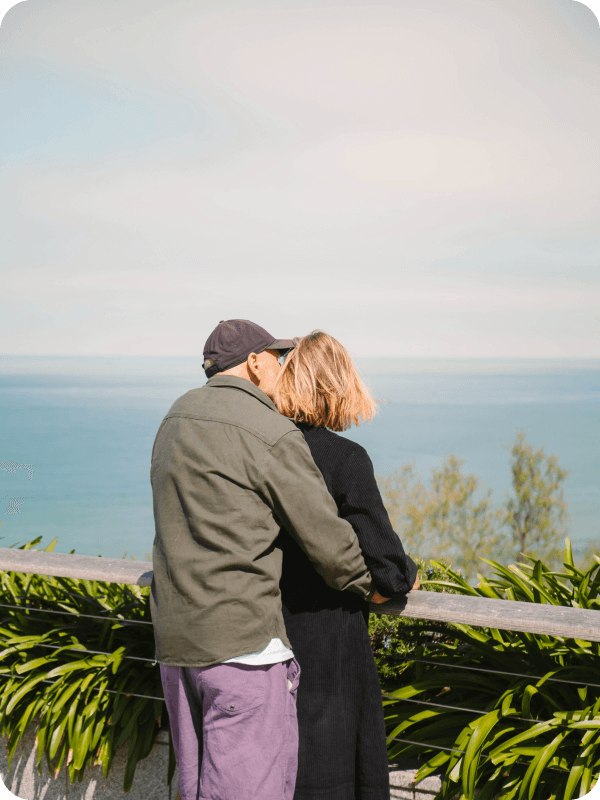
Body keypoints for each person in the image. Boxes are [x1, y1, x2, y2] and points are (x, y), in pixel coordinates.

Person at [149, 320, 391, 800]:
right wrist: (377, 586)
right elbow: (332, 545)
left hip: (177, 646)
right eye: (277, 359)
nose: (282, 368)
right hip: (242, 648)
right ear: (255, 362)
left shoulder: (176, 418)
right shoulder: (267, 430)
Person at [274, 330, 420, 800]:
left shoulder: (262, 452)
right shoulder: (345, 459)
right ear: (339, 385)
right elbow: (389, 571)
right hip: (328, 643)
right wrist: (410, 573)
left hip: (265, 636)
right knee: (333, 772)